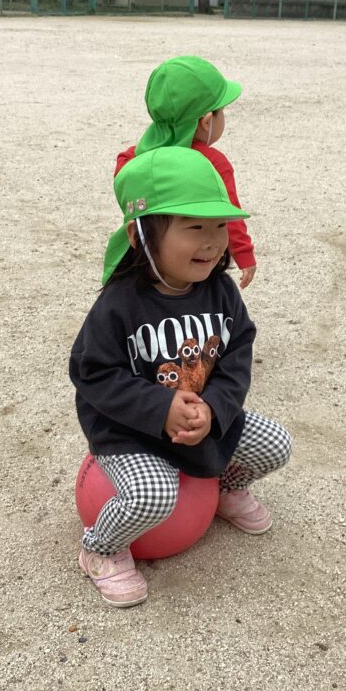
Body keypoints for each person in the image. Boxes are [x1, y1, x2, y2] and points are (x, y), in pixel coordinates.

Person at [69, 147, 292, 608]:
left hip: (202, 420)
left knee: (276, 445)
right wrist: (159, 408)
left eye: (219, 226)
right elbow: (92, 372)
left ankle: (224, 489)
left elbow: (237, 352)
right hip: (132, 433)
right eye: (194, 228)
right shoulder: (119, 303)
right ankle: (100, 547)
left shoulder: (221, 290)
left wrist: (215, 407)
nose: (212, 242)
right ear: (140, 235)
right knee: (153, 497)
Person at [115, 55, 257, 290]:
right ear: (207, 121)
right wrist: (244, 254)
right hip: (194, 263)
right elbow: (226, 214)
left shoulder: (131, 160)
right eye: (222, 111)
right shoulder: (212, 163)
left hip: (143, 261)